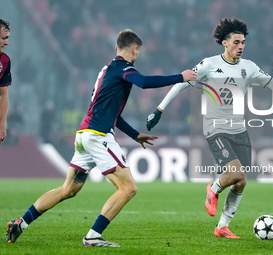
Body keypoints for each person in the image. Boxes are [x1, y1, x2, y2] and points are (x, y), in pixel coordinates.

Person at [6, 29, 197, 247]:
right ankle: (93, 236)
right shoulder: (123, 68)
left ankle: (20, 224)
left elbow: (111, 112)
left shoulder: (107, 70)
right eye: (138, 52)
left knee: (68, 189)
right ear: (135, 49)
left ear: (117, 48)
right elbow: (143, 82)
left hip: (84, 135)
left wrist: (134, 135)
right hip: (98, 136)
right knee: (128, 188)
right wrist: (179, 77)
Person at [146, 18, 273, 239]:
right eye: (236, 42)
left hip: (239, 129)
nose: (241, 46)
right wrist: (159, 109)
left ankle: (222, 227)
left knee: (241, 181)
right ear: (224, 42)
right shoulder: (209, 65)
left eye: (243, 42)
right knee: (235, 173)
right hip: (215, 128)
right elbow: (181, 83)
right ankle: (213, 188)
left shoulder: (249, 67)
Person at [0, 19, 11, 144]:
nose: (7, 42)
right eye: (3, 38)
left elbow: (3, 94)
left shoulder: (5, 61)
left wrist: (2, 126)